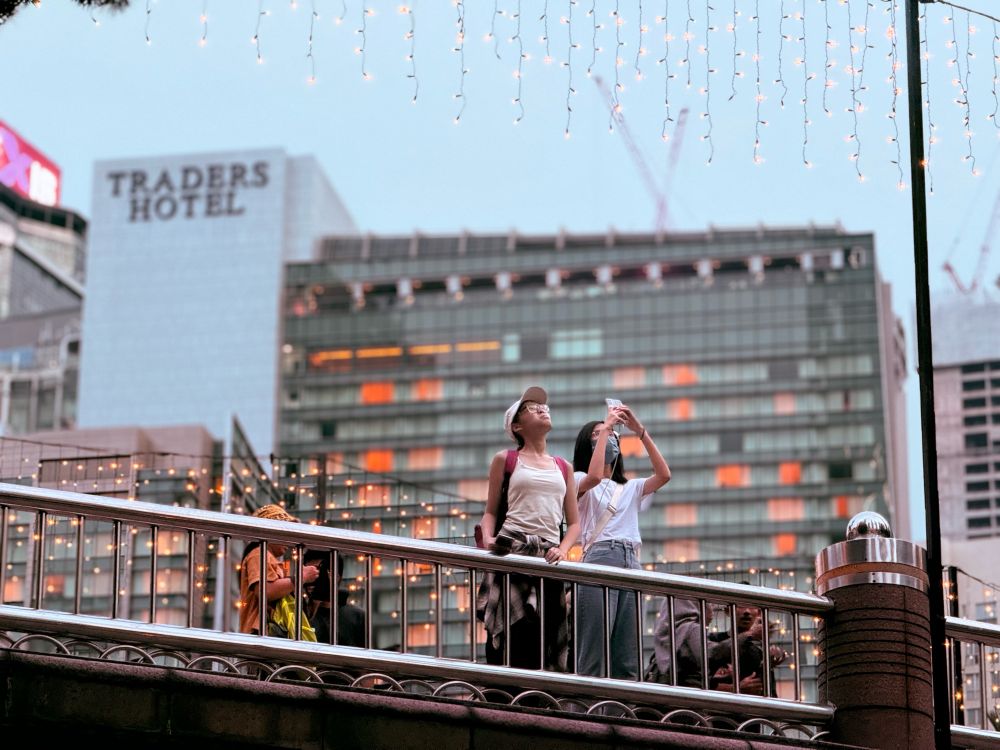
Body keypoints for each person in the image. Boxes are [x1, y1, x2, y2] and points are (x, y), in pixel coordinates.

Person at [475, 385, 580, 671]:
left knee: (547, 633)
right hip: (512, 551)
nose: (541, 409)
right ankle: (507, 700)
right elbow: (490, 511)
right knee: (514, 632)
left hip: (548, 556)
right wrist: (488, 540)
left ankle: (537, 704)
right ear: (517, 426)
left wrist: (562, 548)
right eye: (530, 408)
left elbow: (573, 523)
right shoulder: (505, 459)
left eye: (543, 406)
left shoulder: (563, 467)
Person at [573, 404, 671, 679]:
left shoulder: (629, 487)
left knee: (627, 659)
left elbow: (664, 475)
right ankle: (585, 720)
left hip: (631, 560)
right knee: (592, 654)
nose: (609, 436)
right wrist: (606, 426)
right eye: (597, 434)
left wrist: (639, 431)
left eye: (614, 434)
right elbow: (593, 477)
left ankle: (619, 721)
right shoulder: (579, 478)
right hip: (601, 557)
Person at [238, 504, 320, 637]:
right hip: (260, 634)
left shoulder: (268, 557)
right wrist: (301, 577)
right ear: (270, 530)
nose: (289, 540)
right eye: (285, 532)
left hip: (269, 632)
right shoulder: (258, 554)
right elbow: (266, 591)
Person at [303, 550, 366, 647]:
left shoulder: (357, 617)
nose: (311, 580)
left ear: (336, 577)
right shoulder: (299, 614)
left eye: (318, 573)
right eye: (308, 574)